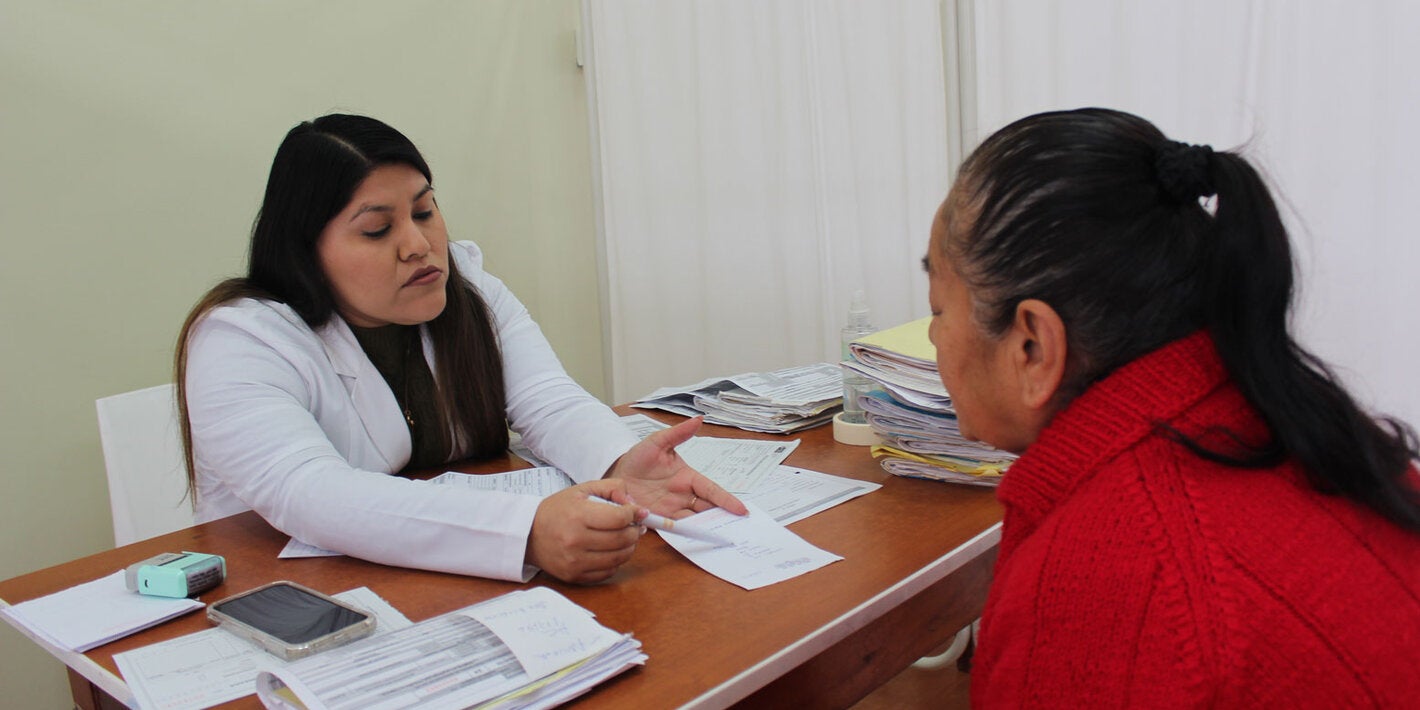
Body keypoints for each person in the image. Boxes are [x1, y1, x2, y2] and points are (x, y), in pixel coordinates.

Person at [922, 108, 1420, 706]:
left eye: (938, 309)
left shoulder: (1109, 578)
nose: (932, 336)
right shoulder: (1305, 422)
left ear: (1033, 346)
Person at [176, 114, 744, 585]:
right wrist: (526, 531)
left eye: (424, 212)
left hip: (437, 582)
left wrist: (619, 463)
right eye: (377, 230)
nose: (418, 245)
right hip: (292, 591)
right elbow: (312, 494)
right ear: (306, 251)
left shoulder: (466, 286)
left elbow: (547, 399)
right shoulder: (242, 341)